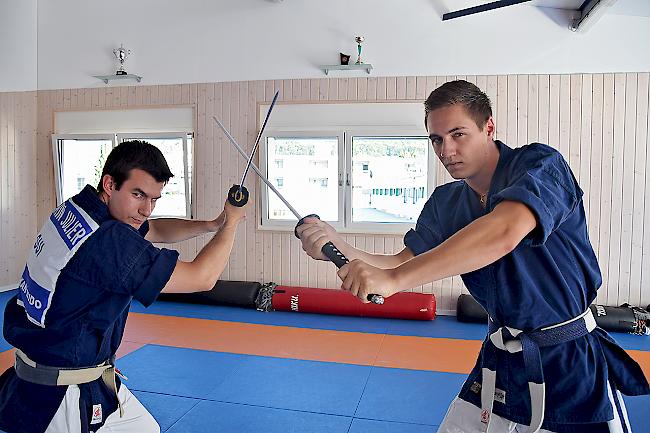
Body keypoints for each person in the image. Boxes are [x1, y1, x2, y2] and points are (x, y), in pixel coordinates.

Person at [296, 80, 649, 433]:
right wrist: (335, 246)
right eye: (436, 139)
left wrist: (393, 280)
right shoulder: (445, 202)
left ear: (489, 127)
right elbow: (399, 263)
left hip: (569, 360)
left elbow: (504, 231)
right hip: (501, 356)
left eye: (458, 134)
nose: (446, 149)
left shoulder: (540, 165)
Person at [0, 140, 247, 433]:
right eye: (138, 194)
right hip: (62, 393)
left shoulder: (80, 208)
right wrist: (232, 223)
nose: (146, 209)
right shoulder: (108, 243)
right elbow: (201, 278)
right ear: (110, 184)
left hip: (51, 366)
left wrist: (211, 224)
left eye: (154, 198)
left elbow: (153, 230)